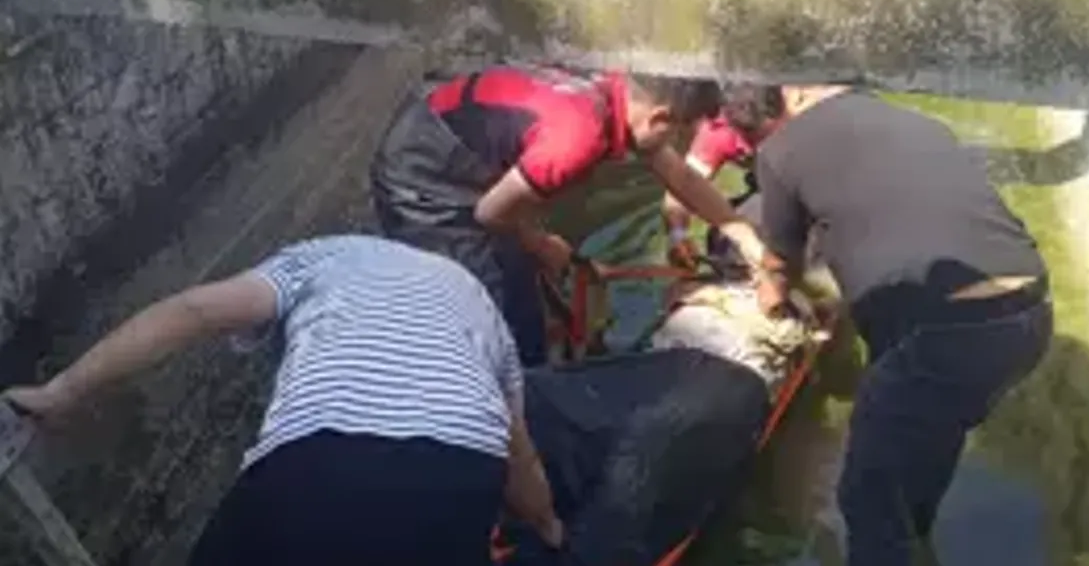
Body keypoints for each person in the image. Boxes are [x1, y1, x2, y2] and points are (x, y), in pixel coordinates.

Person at [2, 235, 563, 566]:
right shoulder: (479, 304)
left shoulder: (323, 256)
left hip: (322, 464)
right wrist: (550, 529)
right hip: (457, 474)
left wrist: (62, 390)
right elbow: (519, 454)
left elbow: (193, 311)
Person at [751, 84, 1053, 566]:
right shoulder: (916, 122)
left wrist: (773, 299)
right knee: (928, 446)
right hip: (1030, 316)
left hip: (945, 335)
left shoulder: (783, 148)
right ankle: (917, 539)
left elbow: (779, 264)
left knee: (866, 499)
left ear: (793, 92)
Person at [371, 63, 767, 367]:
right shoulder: (578, 137)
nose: (675, 143)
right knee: (500, 327)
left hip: (454, 136)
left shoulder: (616, 90)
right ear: (659, 118)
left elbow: (681, 176)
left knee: (529, 292)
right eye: (676, 133)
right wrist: (545, 245)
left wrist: (746, 237)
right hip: (426, 180)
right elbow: (490, 214)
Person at [662, 84, 786, 269]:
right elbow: (680, 190)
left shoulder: (806, 112)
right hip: (766, 186)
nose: (752, 147)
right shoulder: (719, 132)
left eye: (761, 136)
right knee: (724, 236)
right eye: (746, 136)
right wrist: (677, 235)